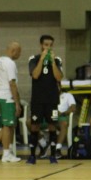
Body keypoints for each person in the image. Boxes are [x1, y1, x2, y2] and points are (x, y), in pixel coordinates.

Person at [26, 35, 63, 164]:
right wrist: (42, 59)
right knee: (34, 126)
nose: (48, 47)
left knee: (52, 126)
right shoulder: (33, 59)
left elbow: (59, 77)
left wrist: (52, 62)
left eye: (50, 45)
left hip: (51, 99)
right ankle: (32, 156)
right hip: (37, 99)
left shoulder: (57, 60)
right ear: (41, 45)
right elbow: (35, 75)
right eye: (46, 45)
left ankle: (53, 155)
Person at [0, 42, 22, 163]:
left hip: (0, 97)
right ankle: (6, 153)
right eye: (19, 52)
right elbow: (12, 84)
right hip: (8, 98)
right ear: (14, 51)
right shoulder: (10, 64)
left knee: (9, 124)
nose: (20, 54)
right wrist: (17, 103)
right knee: (8, 125)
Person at [55, 90, 77, 158]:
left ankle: (57, 149)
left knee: (64, 123)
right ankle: (43, 144)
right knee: (30, 122)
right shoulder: (47, 95)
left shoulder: (68, 95)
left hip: (62, 116)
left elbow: (73, 108)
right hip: (49, 116)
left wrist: (62, 113)